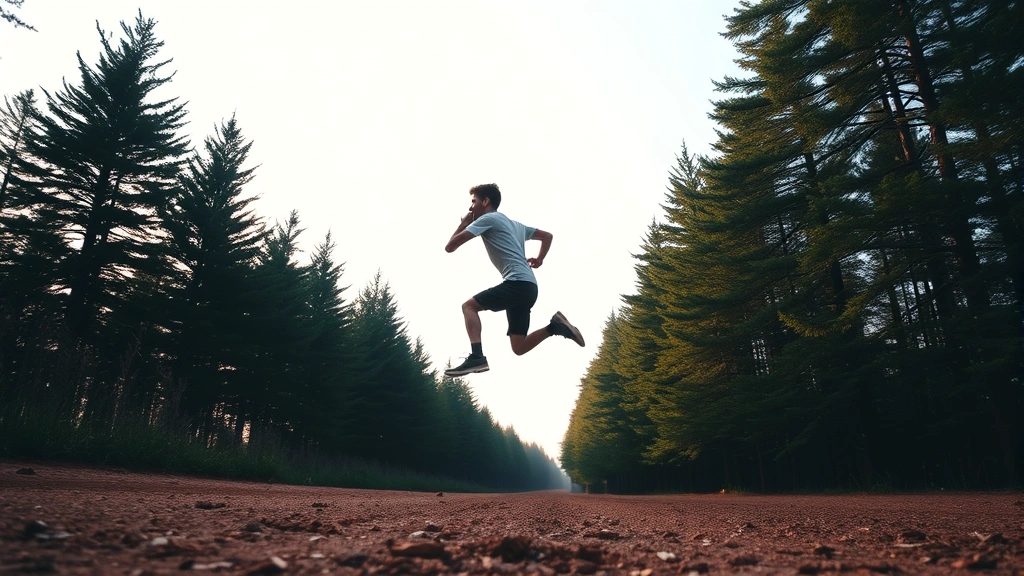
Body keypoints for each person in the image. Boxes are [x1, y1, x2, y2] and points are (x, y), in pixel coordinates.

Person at [443, 183, 584, 377]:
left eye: (473, 202)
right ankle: (554, 327)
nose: (470, 208)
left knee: (469, 307)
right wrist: (540, 258)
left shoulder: (488, 219)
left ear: (485, 202)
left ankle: (477, 357)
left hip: (517, 283)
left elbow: (450, 246)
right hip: (529, 287)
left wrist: (464, 223)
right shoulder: (514, 225)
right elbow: (547, 236)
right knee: (518, 347)